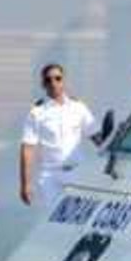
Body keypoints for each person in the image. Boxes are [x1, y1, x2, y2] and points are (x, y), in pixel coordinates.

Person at [19, 64, 98, 208]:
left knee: (78, 216)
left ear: (64, 81)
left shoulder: (78, 107)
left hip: (77, 172)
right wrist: (26, 184)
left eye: (57, 78)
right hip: (50, 177)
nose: (53, 83)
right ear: (43, 84)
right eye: (48, 80)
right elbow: (27, 149)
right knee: (53, 217)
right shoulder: (36, 112)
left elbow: (96, 136)